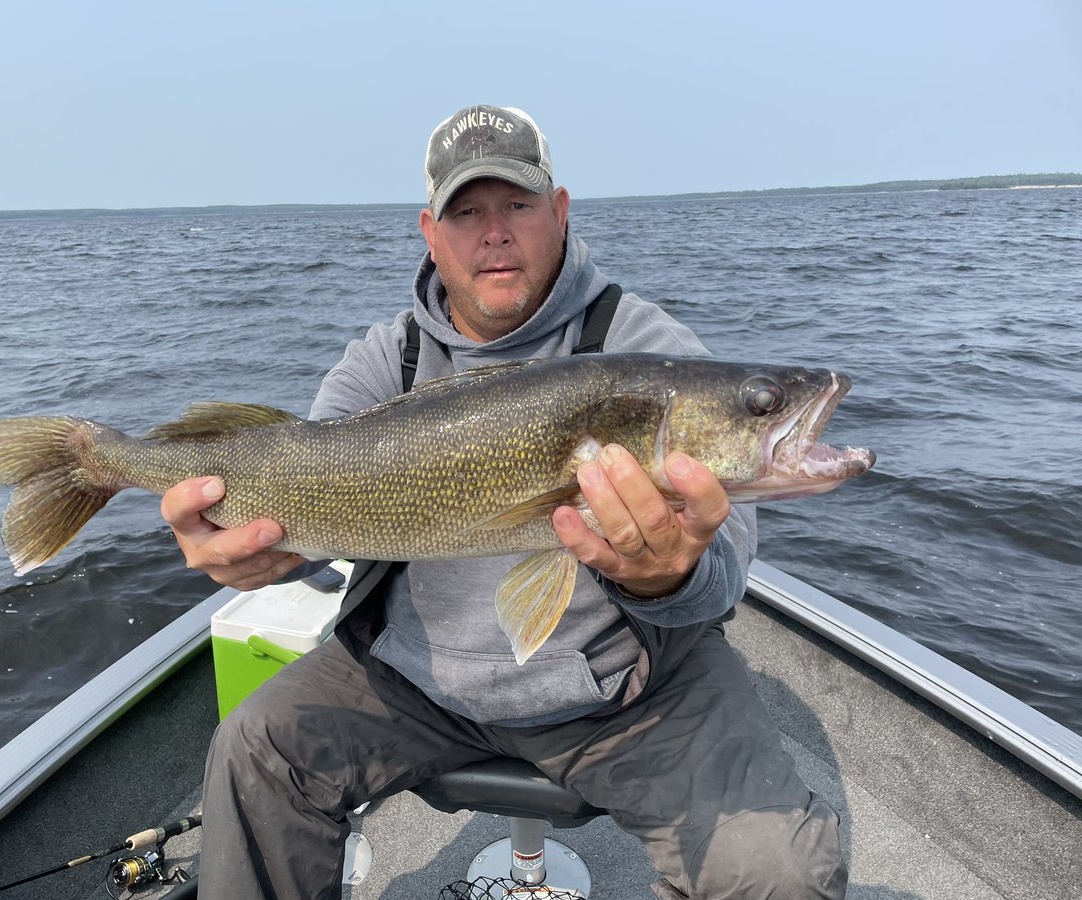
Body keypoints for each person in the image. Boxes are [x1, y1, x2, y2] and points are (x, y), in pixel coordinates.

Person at [162, 104, 847, 899]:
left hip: (627, 693)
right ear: (430, 231)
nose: (495, 232)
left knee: (781, 875)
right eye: (467, 211)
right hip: (412, 682)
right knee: (252, 751)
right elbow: (315, 502)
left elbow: (726, 569)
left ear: (558, 212)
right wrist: (250, 557)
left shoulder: (649, 350)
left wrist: (664, 578)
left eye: (518, 204)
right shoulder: (386, 362)